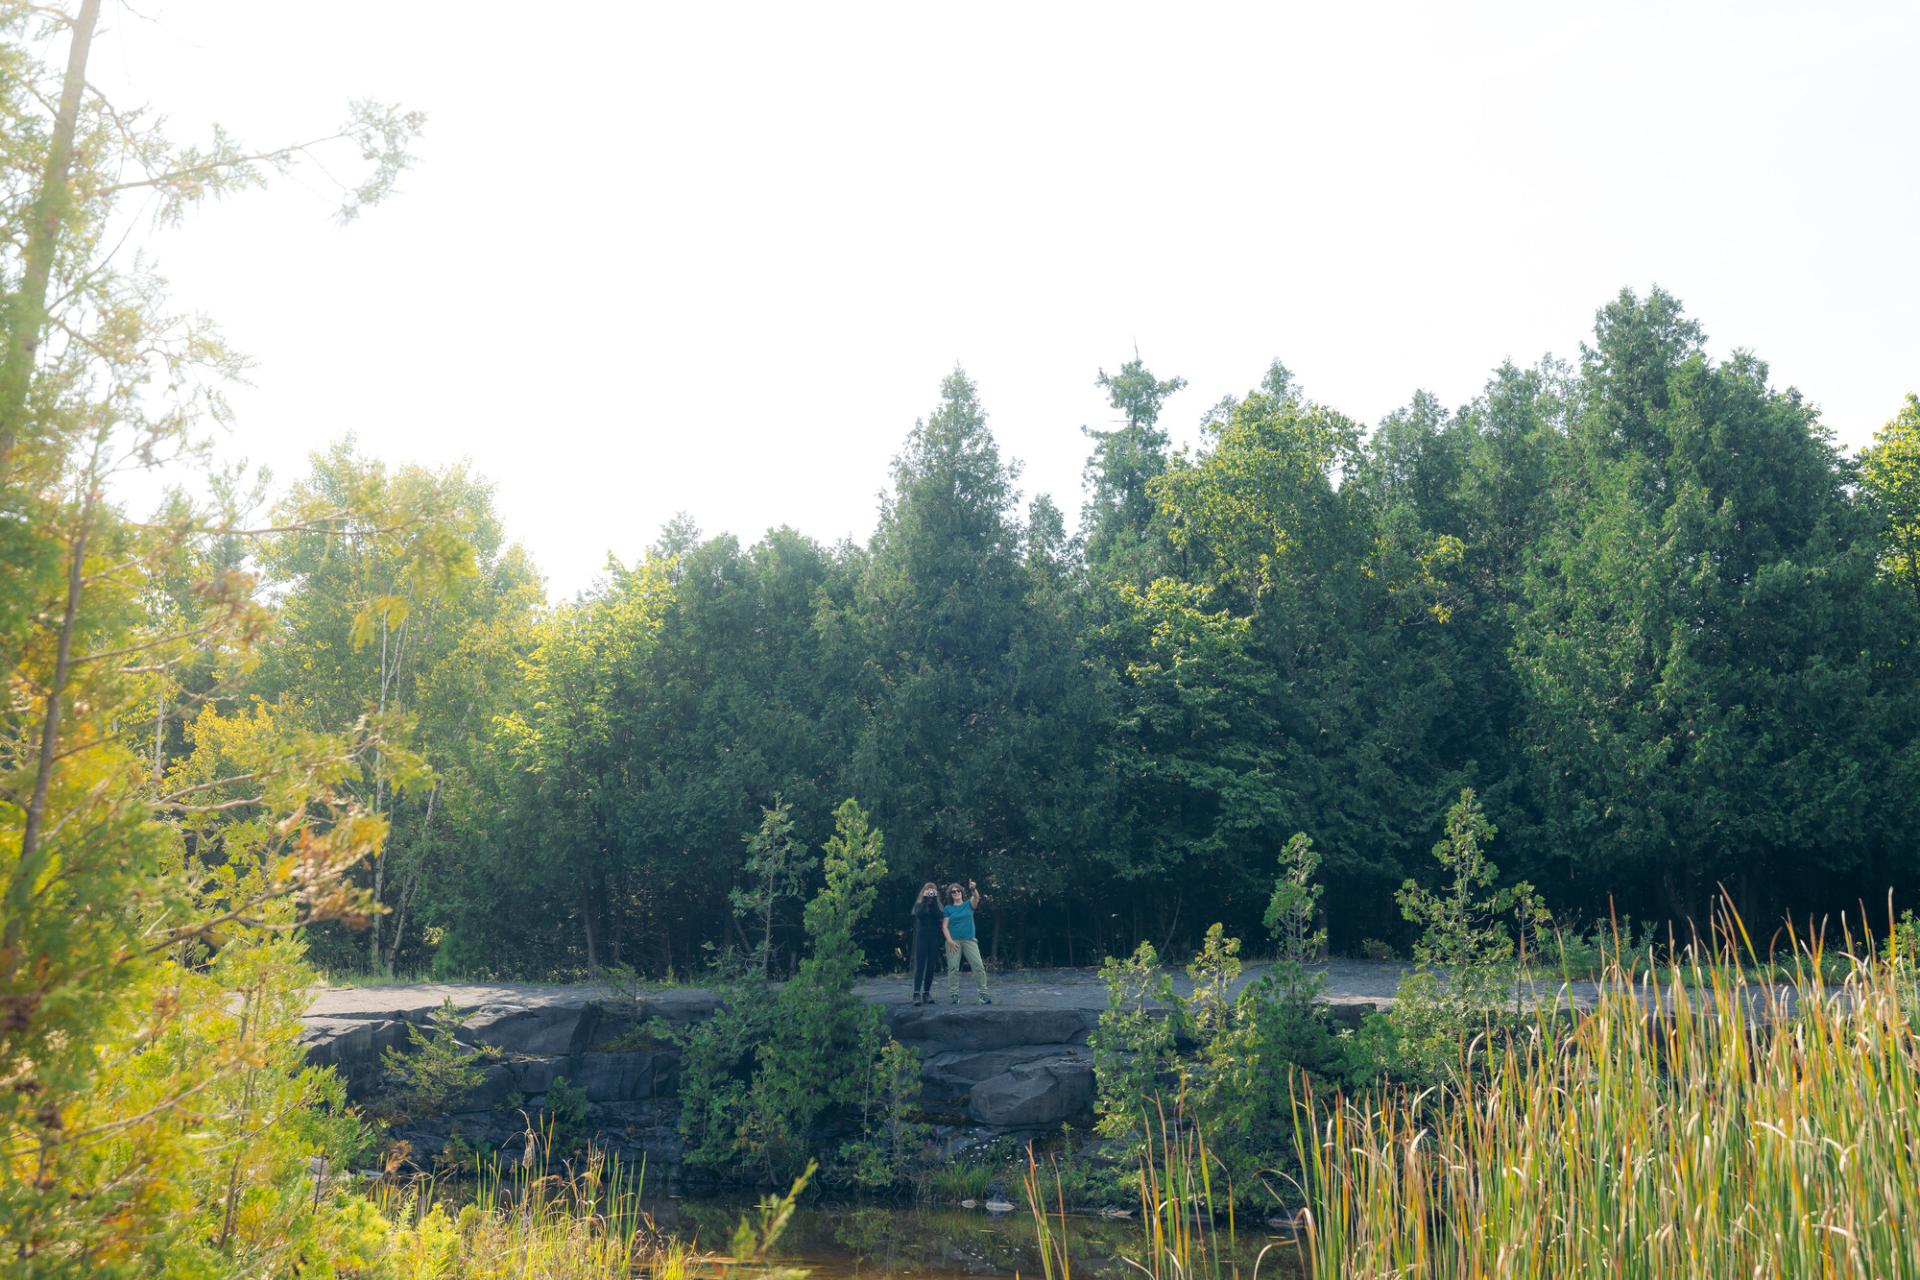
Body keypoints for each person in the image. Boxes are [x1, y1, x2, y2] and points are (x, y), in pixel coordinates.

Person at [942, 879, 991, 1004]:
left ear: (962, 892)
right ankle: (954, 995)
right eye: (953, 892)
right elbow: (944, 926)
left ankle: (983, 994)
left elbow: (976, 898)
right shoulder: (948, 908)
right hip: (953, 942)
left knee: (978, 966)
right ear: (950, 895)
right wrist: (950, 940)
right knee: (953, 968)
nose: (956, 892)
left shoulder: (969, 904)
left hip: (970, 940)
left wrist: (973, 889)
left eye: (958, 890)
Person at [909, 881, 944, 1006]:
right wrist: (924, 900)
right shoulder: (920, 904)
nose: (930, 892)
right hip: (922, 938)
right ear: (924, 891)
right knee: (920, 966)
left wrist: (933, 901)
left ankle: (926, 993)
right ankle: (916, 994)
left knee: (931, 967)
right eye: (928, 890)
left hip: (934, 938)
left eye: (932, 890)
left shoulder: (937, 905)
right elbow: (920, 914)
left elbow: (939, 915)